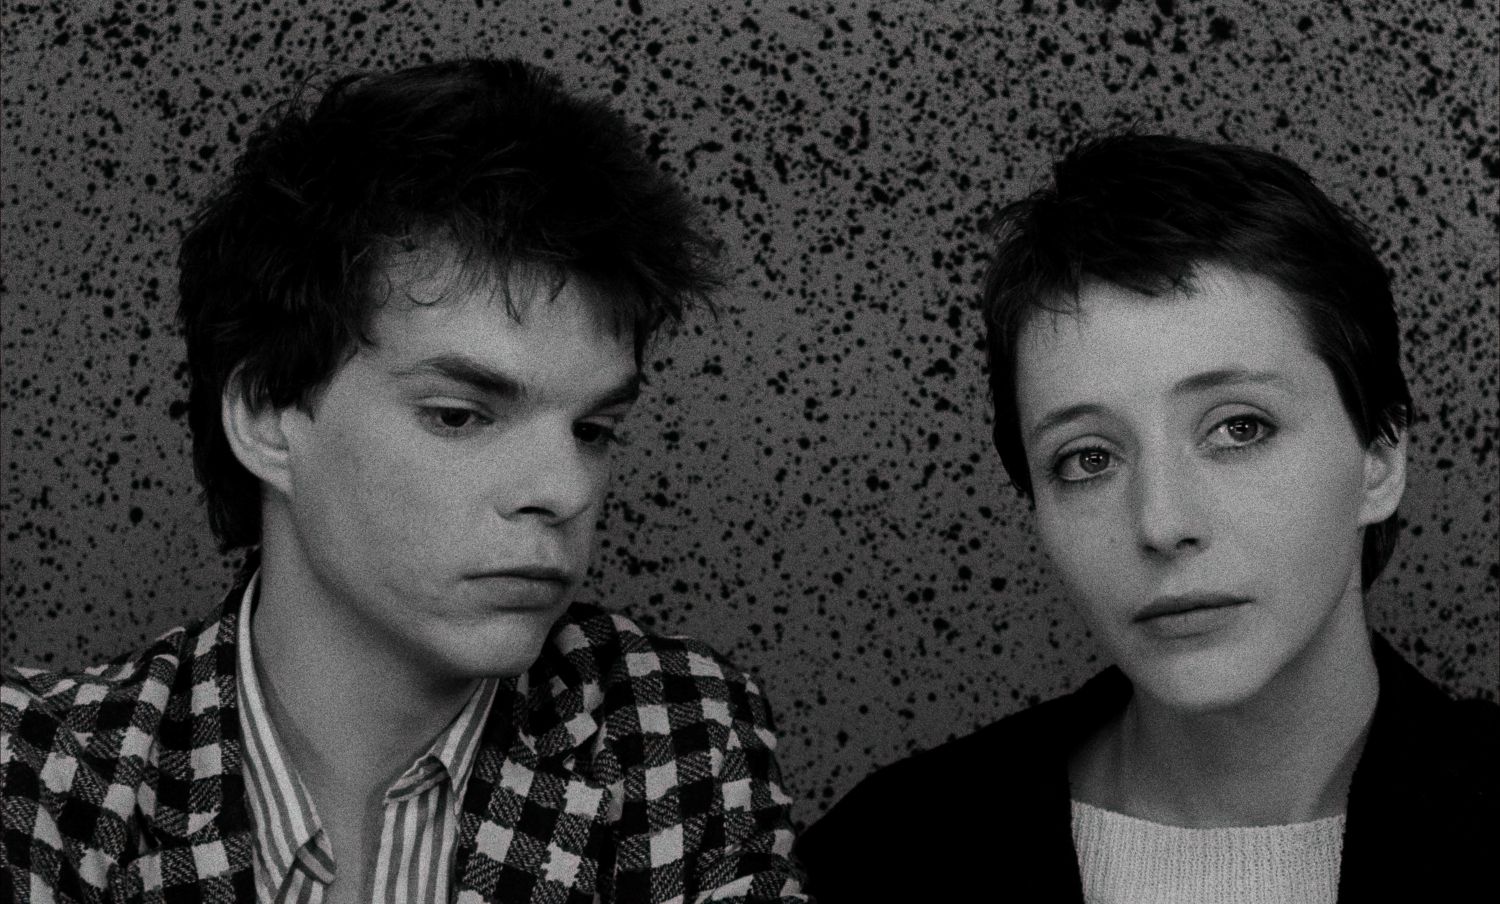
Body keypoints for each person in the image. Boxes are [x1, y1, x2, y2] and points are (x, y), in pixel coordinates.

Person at [2, 58, 807, 903]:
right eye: (459, 415)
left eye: (593, 430)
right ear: (268, 416)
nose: (564, 488)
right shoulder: (40, 769)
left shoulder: (675, 734)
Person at [795, 134, 1498, 902]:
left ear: (1380, 459)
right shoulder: (884, 861)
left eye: (1239, 428)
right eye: (1088, 458)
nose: (1161, 523)